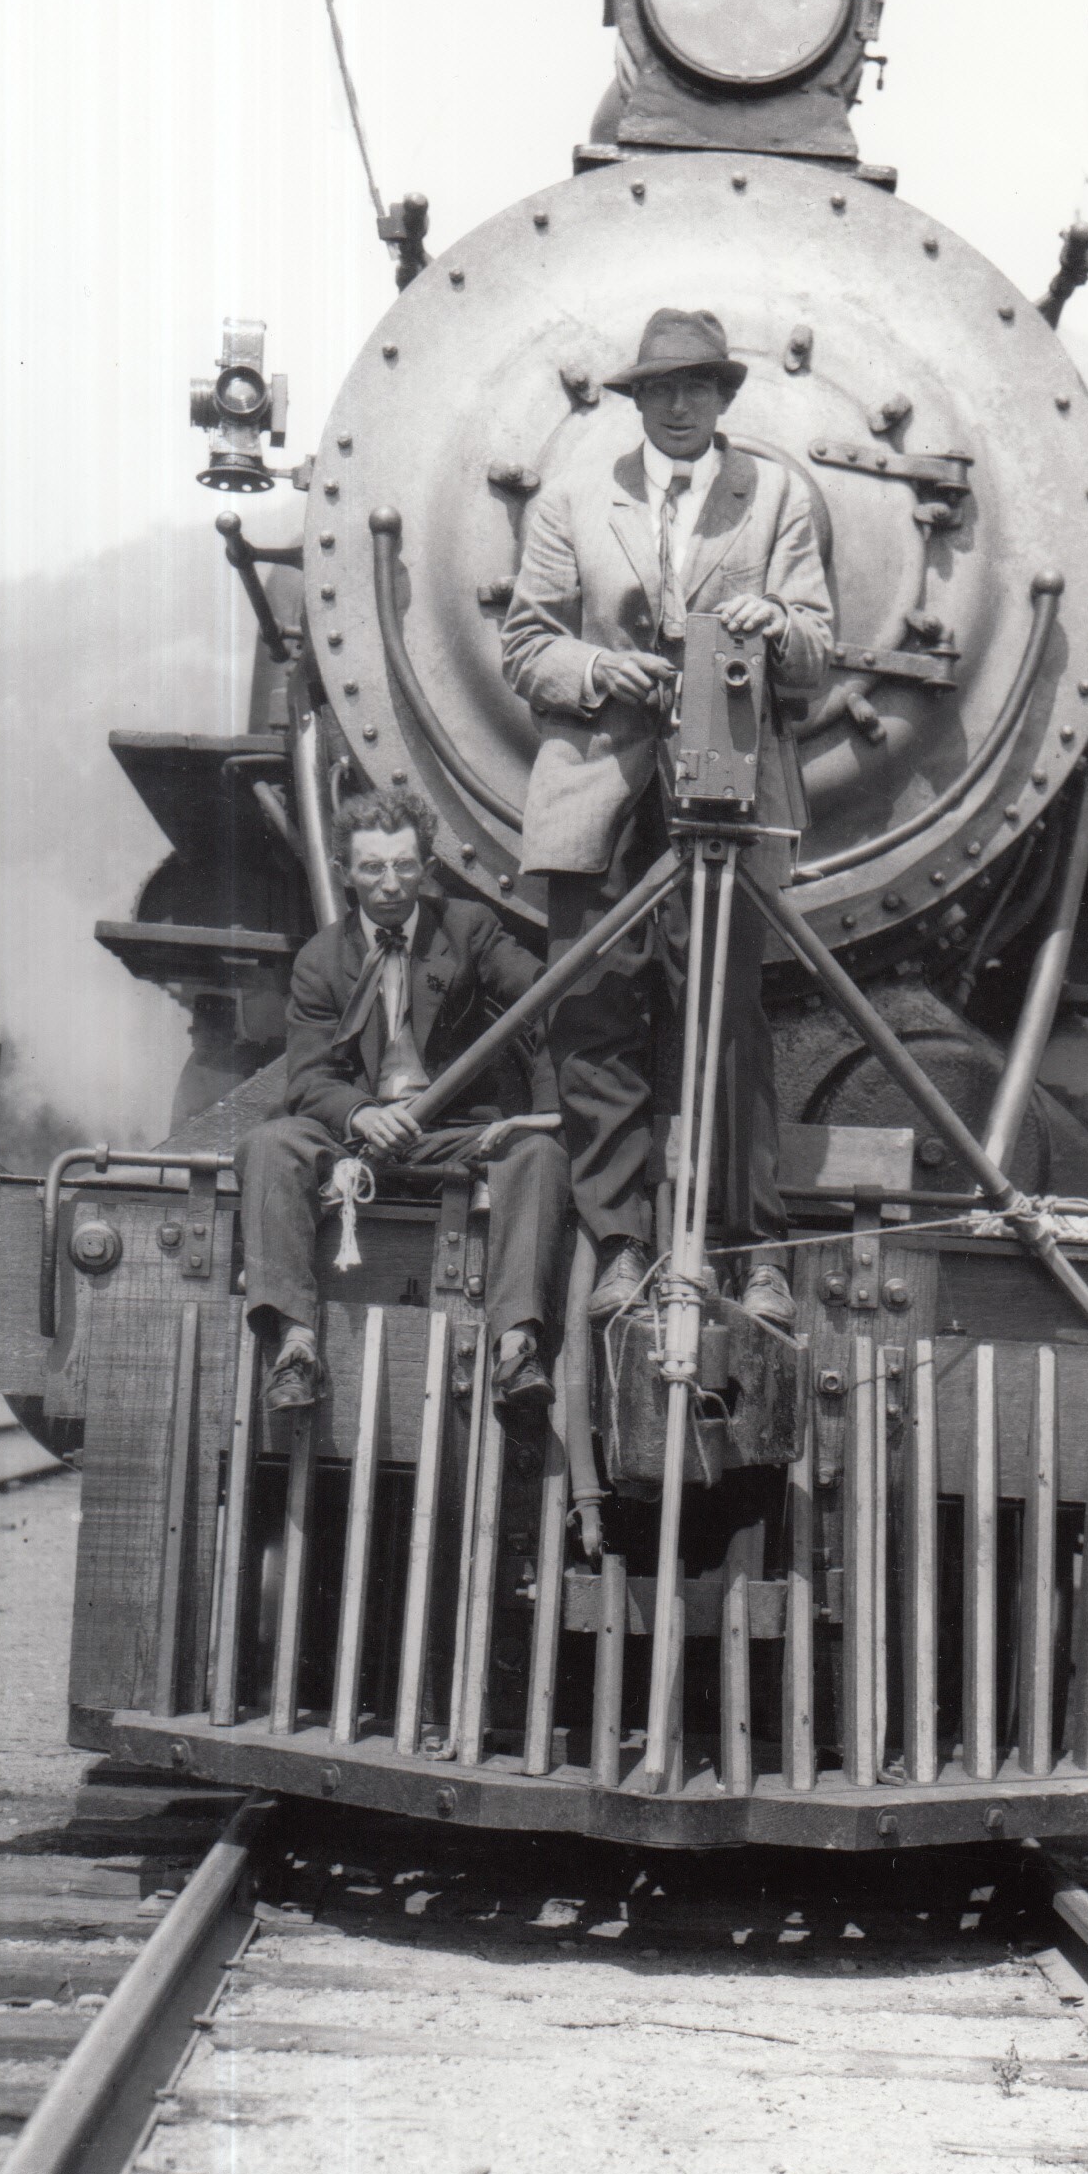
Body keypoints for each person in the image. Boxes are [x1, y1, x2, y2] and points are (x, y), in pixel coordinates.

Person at [499, 306, 831, 1332]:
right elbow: (526, 645)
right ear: (636, 400)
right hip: (597, 789)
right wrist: (601, 668)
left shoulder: (774, 496)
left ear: (724, 397)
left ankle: (750, 1250)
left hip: (724, 788)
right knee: (594, 1021)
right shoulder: (571, 496)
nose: (678, 405)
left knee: (725, 1021)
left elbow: (820, 647)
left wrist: (776, 627)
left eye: (697, 388)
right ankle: (620, 1245)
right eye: (659, 389)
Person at [236, 789, 569, 1414]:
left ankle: (517, 1349)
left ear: (427, 866)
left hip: (458, 1133)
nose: (390, 885)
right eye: (371, 869)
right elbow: (308, 1081)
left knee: (541, 1155)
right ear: (344, 874)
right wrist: (362, 1113)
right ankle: (296, 1347)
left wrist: (544, 1111)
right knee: (268, 1144)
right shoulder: (318, 960)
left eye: (405, 866)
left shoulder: (470, 929)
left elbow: (546, 999)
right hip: (356, 1139)